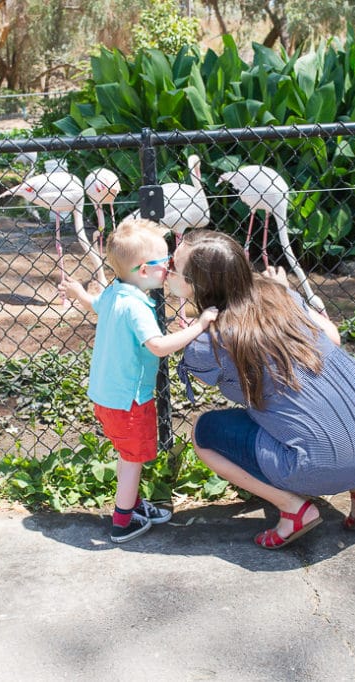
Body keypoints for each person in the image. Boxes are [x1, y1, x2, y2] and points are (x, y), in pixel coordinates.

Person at [169, 230, 355, 549]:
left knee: (204, 432)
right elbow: (332, 338)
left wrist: (187, 332)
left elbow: (213, 374)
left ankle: (294, 509)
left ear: (197, 286)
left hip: (327, 462)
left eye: (173, 266)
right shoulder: (282, 295)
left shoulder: (206, 344)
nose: (166, 270)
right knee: (315, 396)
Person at [59, 216, 218, 543]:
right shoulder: (138, 308)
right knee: (132, 460)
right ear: (144, 271)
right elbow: (158, 347)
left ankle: (129, 503)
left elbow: (96, 305)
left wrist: (78, 294)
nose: (171, 267)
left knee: (127, 456)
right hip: (130, 401)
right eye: (166, 262)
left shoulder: (116, 290)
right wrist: (199, 326)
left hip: (105, 397)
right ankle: (122, 521)